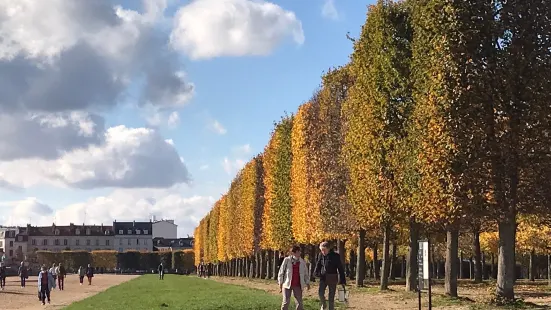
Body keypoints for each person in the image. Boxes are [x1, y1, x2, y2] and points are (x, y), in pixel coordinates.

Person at [314, 241, 346, 310]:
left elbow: (340, 268)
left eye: (324, 250)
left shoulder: (335, 256)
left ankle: (331, 308)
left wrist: (342, 280)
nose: (323, 251)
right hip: (323, 277)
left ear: (328, 249)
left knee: (331, 296)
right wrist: (316, 272)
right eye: (321, 250)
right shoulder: (321, 255)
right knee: (320, 293)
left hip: (332, 277)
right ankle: (324, 304)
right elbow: (318, 264)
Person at [278, 245, 310, 310]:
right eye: (298, 252)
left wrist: (307, 283)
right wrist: (280, 283)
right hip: (287, 284)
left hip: (298, 285)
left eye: (299, 251)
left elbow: (305, 273)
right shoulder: (287, 260)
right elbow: (281, 272)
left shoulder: (302, 261)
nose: (299, 253)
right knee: (286, 302)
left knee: (299, 303)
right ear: (293, 253)